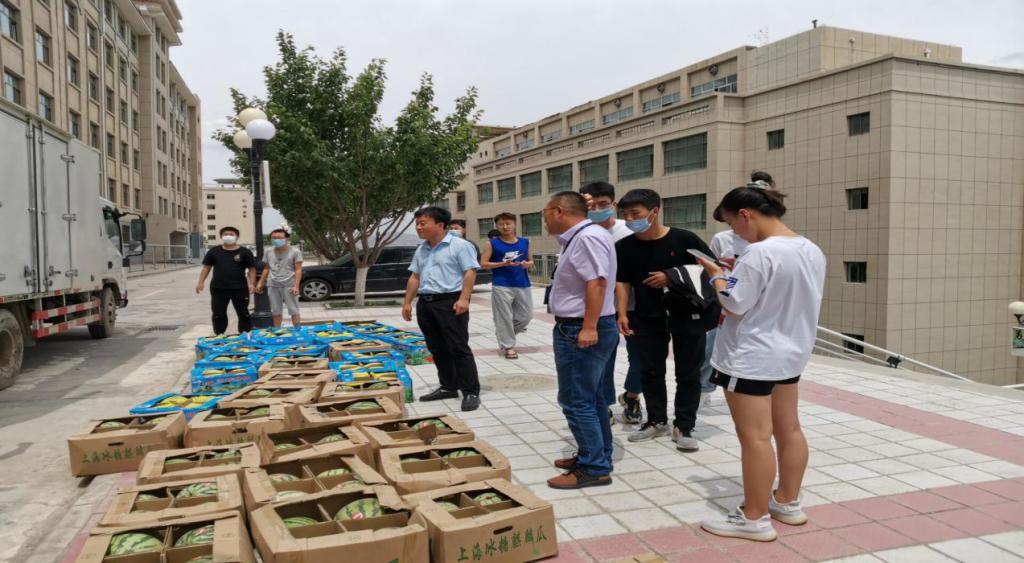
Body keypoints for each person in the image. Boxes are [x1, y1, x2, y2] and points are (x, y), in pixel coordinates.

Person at [697, 185, 825, 542]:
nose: (735, 233)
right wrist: (733, 274)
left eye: (733, 225)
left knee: (754, 438)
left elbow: (734, 303)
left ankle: (753, 517)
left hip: (751, 357)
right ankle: (787, 501)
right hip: (791, 352)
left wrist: (714, 273)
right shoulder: (810, 249)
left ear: (746, 214)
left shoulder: (759, 253)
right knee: (790, 430)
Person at [614, 189, 718, 452]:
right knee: (650, 371)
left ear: (654, 211)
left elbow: (712, 270)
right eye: (624, 214)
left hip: (687, 315)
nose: (629, 219)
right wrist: (623, 313)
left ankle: (684, 426)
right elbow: (623, 282)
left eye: (634, 213)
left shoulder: (684, 238)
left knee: (688, 373)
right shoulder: (624, 246)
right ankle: (656, 420)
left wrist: (671, 276)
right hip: (647, 315)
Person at [543, 191, 618, 490]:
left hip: (580, 329)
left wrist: (588, 327)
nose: (545, 219)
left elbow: (596, 282)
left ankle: (594, 467)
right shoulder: (584, 237)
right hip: (581, 326)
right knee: (592, 398)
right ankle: (597, 455)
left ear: (559, 211)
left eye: (546, 213)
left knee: (576, 401)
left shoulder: (587, 237)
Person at [699, 170, 777, 410]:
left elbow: (734, 299)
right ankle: (704, 389)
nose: (732, 227)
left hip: (750, 318)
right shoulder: (803, 248)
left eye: (731, 220)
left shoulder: (762, 248)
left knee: (755, 434)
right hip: (781, 353)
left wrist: (720, 278)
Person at [402, 207, 483, 412]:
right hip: (426, 304)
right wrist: (407, 302)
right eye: (417, 224)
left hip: (450, 303)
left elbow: (470, 272)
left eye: (423, 223)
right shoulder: (422, 249)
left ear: (440, 224)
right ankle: (448, 386)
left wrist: (464, 299)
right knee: (437, 348)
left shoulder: (460, 246)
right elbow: (415, 276)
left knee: (458, 347)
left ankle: (471, 391)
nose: (419, 227)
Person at [579, 181, 645, 424]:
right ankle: (603, 404)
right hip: (600, 308)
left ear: (613, 204)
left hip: (633, 306)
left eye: (603, 204)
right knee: (602, 360)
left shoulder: (629, 231)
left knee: (641, 357)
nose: (597, 209)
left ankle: (632, 395)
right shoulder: (579, 232)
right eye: (591, 205)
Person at [481, 212, 533, 359]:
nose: (505, 226)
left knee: (526, 316)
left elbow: (531, 261)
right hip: (501, 284)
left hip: (522, 283)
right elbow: (483, 264)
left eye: (508, 223)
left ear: (514, 224)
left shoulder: (525, 242)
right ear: (497, 226)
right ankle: (509, 346)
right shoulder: (492, 243)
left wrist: (526, 264)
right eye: (501, 224)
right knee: (503, 316)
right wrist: (503, 263)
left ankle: (503, 333)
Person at [196, 227, 257, 334]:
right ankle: (219, 335)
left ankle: (244, 335)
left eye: (231, 234)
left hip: (240, 288)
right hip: (218, 288)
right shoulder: (214, 251)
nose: (228, 236)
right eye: (225, 234)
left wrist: (252, 284)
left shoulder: (245, 252)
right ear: (221, 236)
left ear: (237, 237)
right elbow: (207, 267)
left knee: (243, 313)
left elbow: (251, 269)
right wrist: (201, 282)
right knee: (218, 313)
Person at [256, 228, 303, 327]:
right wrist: (260, 282)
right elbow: (267, 268)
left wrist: (296, 286)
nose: (276, 240)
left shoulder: (295, 251)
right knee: (276, 311)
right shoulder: (268, 251)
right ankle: (277, 331)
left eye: (279, 237)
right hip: (273, 284)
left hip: (289, 285)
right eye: (274, 238)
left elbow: (298, 269)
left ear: (286, 238)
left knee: (294, 310)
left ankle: (298, 331)